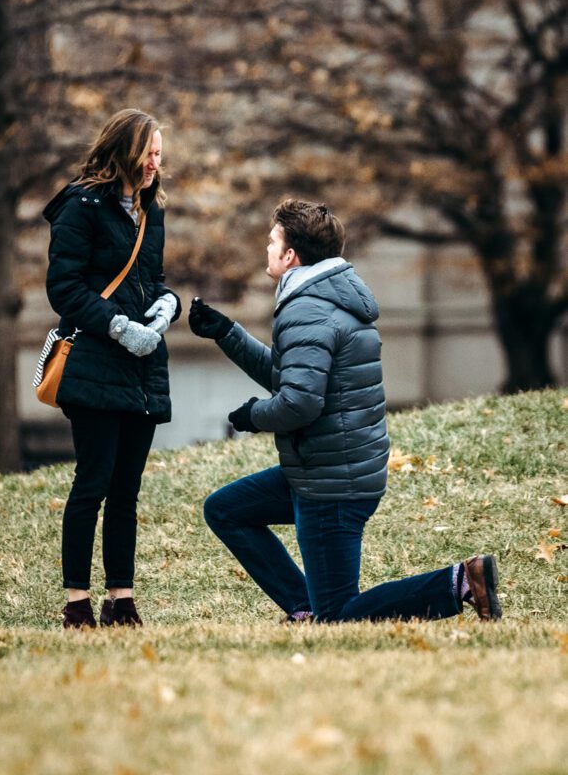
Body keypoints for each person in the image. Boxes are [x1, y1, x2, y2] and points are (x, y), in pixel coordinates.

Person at [189, 198, 501, 624]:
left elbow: (298, 402)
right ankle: (304, 606)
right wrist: (228, 334)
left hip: (332, 485)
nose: (266, 248)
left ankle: (459, 581)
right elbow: (295, 378)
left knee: (338, 615)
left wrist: (253, 416)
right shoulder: (325, 298)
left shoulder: (306, 309)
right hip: (327, 467)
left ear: (291, 254)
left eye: (271, 240)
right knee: (226, 509)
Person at [44, 108, 181, 629]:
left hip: (142, 370)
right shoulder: (81, 208)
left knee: (127, 490)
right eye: (148, 152)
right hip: (96, 362)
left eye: (160, 154)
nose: (154, 163)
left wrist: (168, 306)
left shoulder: (152, 210)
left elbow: (153, 279)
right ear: (124, 150)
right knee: (92, 483)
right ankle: (76, 601)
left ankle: (120, 599)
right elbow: (65, 289)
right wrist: (119, 326)